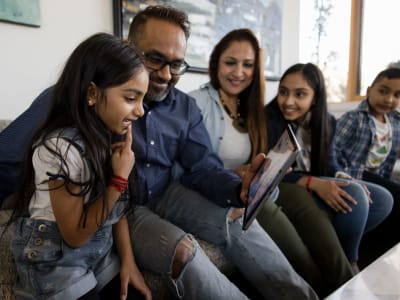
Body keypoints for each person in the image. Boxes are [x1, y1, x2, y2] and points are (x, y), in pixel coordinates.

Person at [0, 5, 318, 300]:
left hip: (168, 192)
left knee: (234, 217)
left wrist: (240, 186)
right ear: (127, 48)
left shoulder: (185, 107)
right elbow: (11, 160)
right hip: (129, 206)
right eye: (154, 59)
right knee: (182, 252)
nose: (166, 74)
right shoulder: (78, 98)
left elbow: (203, 167)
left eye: (176, 63)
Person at [188, 28, 353, 297]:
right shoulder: (197, 103)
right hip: (231, 191)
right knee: (283, 210)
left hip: (258, 185)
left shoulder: (251, 106)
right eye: (230, 62)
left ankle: (347, 282)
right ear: (216, 62)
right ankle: (321, 290)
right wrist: (235, 175)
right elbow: (193, 167)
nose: (238, 72)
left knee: (304, 199)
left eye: (248, 65)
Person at [4, 33, 151, 300]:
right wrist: (118, 179)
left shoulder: (109, 137)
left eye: (143, 99)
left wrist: (128, 261)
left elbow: (116, 213)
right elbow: (74, 235)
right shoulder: (58, 148)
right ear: (92, 93)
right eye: (131, 98)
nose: (141, 111)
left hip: (97, 250)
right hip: (55, 260)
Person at [266, 62, 393, 272]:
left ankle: (332, 252)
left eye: (300, 94)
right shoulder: (268, 121)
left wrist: (344, 178)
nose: (288, 101)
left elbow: (330, 165)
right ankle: (349, 263)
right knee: (355, 196)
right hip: (289, 188)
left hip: (315, 185)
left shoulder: (327, 122)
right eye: (283, 92)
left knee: (382, 199)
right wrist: (312, 182)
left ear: (315, 97)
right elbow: (269, 176)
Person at [333, 67, 400, 256]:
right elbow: (332, 150)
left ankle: (383, 251)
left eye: (397, 95)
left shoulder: (395, 122)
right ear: (369, 90)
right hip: (355, 173)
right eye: (383, 91)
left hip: (377, 175)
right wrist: (340, 174)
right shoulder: (354, 118)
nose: (388, 99)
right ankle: (372, 253)